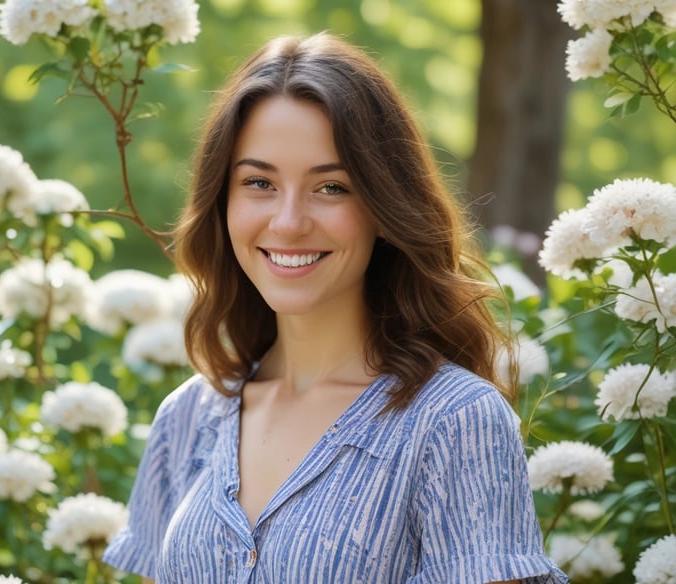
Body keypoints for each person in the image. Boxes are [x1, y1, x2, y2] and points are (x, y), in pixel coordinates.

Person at [103, 32, 568, 583]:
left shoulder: (454, 421)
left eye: (331, 188)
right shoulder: (186, 419)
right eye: (259, 183)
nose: (289, 222)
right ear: (222, 201)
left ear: (383, 204)